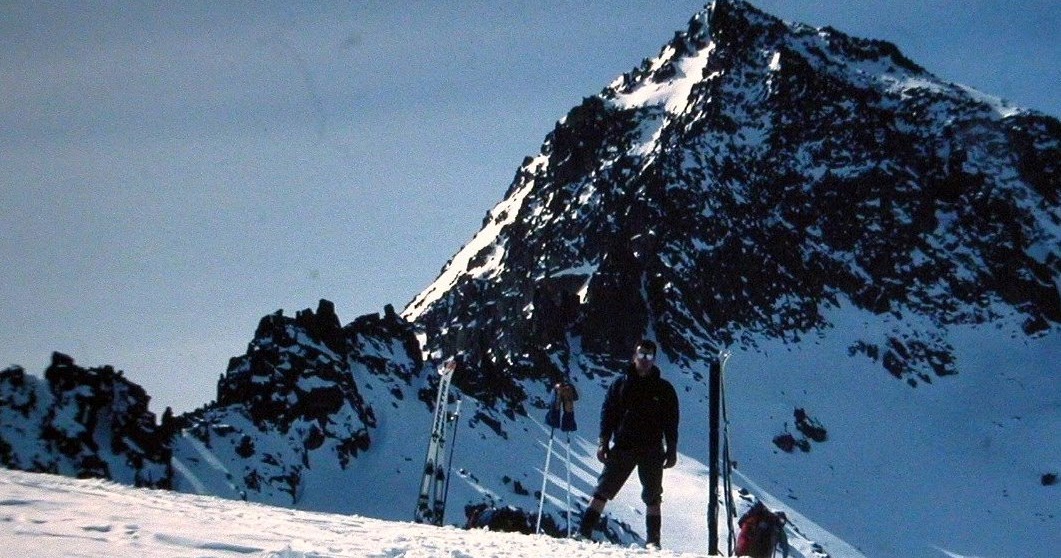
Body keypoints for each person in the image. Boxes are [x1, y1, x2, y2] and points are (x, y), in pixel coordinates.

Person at [576, 339, 679, 548]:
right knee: (603, 489)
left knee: (653, 495)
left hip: (652, 448)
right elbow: (608, 414)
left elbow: (671, 421)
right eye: (641, 354)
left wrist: (672, 449)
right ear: (634, 356)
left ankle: (653, 542)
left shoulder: (664, 389)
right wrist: (603, 441)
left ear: (654, 359)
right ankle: (583, 532)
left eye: (649, 356)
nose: (644, 359)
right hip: (624, 445)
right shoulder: (620, 385)